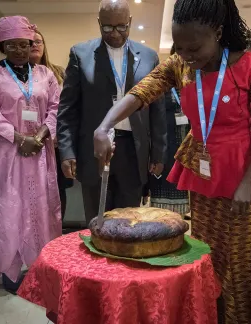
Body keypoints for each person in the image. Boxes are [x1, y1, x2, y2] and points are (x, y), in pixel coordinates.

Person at [92, 0, 251, 322]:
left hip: (244, 174)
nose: (186, 55)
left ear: (219, 33)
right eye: (179, 47)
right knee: (207, 254)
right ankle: (212, 315)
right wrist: (104, 126)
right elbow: (139, 93)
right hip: (203, 170)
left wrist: (249, 181)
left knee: (242, 258)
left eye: (194, 47)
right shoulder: (180, 64)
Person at [57, 0, 167, 224]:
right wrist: (67, 151)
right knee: (97, 220)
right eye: (107, 27)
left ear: (130, 22)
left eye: (121, 27)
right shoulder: (81, 54)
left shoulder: (148, 56)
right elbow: (68, 109)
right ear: (99, 23)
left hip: (133, 150)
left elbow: (157, 109)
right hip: (94, 150)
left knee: (129, 220)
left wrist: (158, 152)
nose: (115, 33)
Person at [0, 16, 62, 293]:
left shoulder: (45, 75)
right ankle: (11, 271)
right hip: (7, 155)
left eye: (25, 44)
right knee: (9, 209)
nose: (20, 51)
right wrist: (18, 137)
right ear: (3, 46)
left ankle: (41, 266)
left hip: (39, 153)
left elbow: (57, 109)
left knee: (40, 207)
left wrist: (39, 136)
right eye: (13, 45)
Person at [29, 30, 73, 219]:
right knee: (31, 191)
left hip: (55, 143)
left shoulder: (58, 72)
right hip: (29, 142)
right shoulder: (14, 73)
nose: (35, 45)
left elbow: (66, 108)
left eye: (39, 41)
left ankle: (55, 232)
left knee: (57, 189)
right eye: (30, 42)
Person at [146, 44, 190, 214]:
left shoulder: (197, 82)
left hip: (190, 143)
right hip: (167, 143)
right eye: (179, 54)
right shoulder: (162, 83)